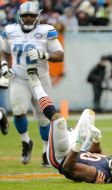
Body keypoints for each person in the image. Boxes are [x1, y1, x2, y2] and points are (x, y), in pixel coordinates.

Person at [27, 67, 112, 183]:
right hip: (77, 149)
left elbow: (68, 168)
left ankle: (35, 83)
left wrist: (78, 144)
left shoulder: (99, 175)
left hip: (61, 157)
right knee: (89, 114)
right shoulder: (109, 166)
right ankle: (71, 134)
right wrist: (97, 140)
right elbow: (95, 155)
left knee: (58, 120)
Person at [1, 1, 64, 166]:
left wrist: (43, 55)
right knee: (18, 111)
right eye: (25, 16)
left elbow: (59, 54)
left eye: (32, 16)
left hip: (40, 79)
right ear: (19, 16)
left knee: (44, 119)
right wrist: (4, 65)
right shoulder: (10, 31)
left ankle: (45, 151)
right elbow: (5, 52)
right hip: (19, 78)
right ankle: (26, 142)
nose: (28, 19)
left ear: (38, 16)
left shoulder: (46, 31)